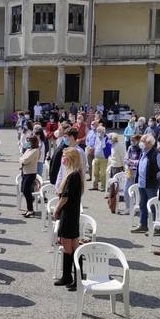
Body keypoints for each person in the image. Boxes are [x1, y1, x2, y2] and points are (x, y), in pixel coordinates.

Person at [53, 148, 84, 291]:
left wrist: (57, 208)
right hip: (73, 213)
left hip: (68, 213)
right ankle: (73, 276)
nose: (63, 159)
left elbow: (65, 196)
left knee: (68, 245)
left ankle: (71, 277)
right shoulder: (76, 174)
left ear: (70, 158)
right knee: (73, 245)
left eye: (65, 156)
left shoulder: (73, 175)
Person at [132, 134, 160, 233]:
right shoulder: (143, 152)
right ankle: (143, 225)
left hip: (151, 185)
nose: (140, 143)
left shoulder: (157, 154)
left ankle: (155, 226)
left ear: (150, 143)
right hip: (142, 184)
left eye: (143, 141)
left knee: (152, 206)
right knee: (142, 205)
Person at [19, 135, 40, 218]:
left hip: (31, 173)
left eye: (29, 141)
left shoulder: (35, 150)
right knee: (24, 191)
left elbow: (25, 160)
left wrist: (22, 160)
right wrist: (22, 160)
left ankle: (30, 210)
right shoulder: (28, 149)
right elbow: (22, 159)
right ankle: (29, 209)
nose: (27, 142)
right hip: (25, 172)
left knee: (26, 191)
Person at [123, 135, 142, 212]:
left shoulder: (141, 149)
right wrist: (128, 161)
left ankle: (137, 207)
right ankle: (127, 208)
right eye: (131, 140)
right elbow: (125, 159)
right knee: (126, 190)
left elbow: (141, 161)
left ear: (138, 141)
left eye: (134, 140)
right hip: (129, 171)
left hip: (138, 172)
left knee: (137, 191)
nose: (132, 142)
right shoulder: (130, 148)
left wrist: (133, 162)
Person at [90, 125, 112, 191]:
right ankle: (95, 186)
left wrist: (103, 140)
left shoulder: (107, 138)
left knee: (103, 174)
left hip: (103, 158)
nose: (99, 133)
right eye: (98, 131)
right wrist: (92, 148)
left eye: (100, 131)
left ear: (103, 132)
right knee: (95, 173)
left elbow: (109, 148)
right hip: (96, 157)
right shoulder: (96, 137)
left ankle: (103, 186)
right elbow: (95, 145)